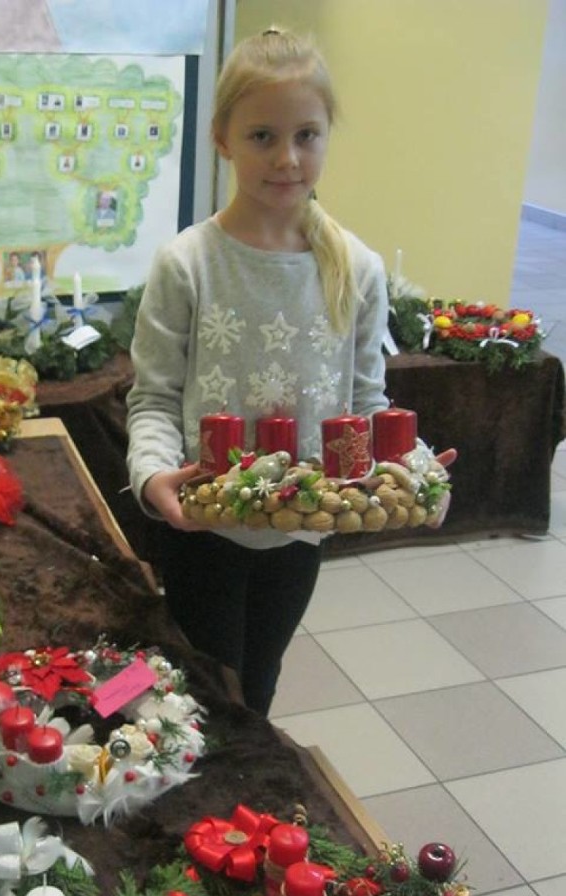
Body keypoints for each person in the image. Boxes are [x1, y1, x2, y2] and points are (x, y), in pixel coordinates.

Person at [126, 27, 389, 716]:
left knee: (262, 673)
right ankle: (192, 795)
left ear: (328, 135)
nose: (287, 158)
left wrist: (399, 475)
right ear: (222, 138)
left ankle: (246, 799)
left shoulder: (356, 268)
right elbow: (153, 397)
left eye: (307, 135)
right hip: (202, 524)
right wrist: (154, 476)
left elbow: (364, 402)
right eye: (263, 136)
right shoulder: (187, 264)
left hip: (299, 532)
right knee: (206, 674)